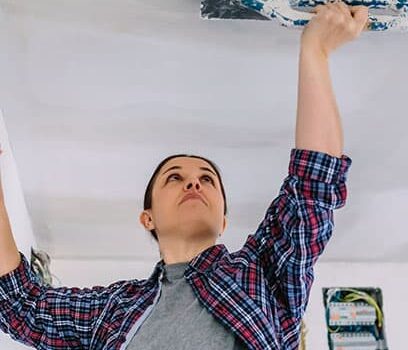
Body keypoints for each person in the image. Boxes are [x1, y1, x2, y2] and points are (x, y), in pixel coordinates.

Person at [0, 1, 366, 349]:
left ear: (223, 219)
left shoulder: (262, 273)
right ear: (148, 218)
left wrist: (315, 51)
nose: (194, 182)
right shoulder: (110, 311)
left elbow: (312, 186)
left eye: (208, 179)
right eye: (174, 177)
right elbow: (19, 305)